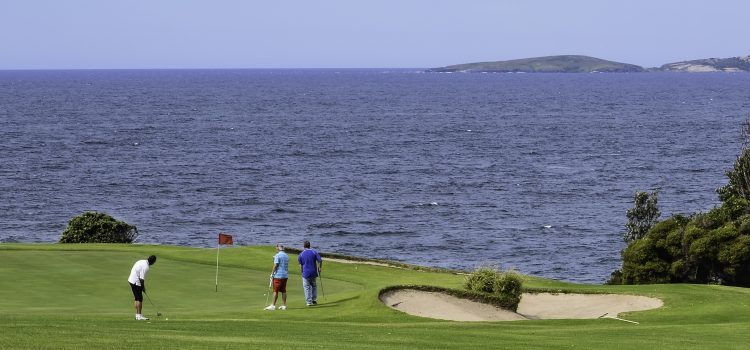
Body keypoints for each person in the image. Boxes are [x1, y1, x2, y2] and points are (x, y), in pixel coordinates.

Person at [127, 255, 156, 320]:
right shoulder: (146, 267)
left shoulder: (142, 261)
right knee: (140, 299)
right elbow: (141, 279)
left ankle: (137, 315)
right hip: (136, 281)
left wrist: (142, 287)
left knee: (136, 298)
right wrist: (143, 287)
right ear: (152, 262)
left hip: (131, 280)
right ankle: (139, 316)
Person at [298, 240, 322, 306]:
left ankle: (308, 302)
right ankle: (314, 300)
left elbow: (301, 265)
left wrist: (302, 272)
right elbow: (320, 260)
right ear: (309, 245)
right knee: (314, 286)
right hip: (314, 272)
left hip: (306, 273)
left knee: (306, 287)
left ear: (304, 246)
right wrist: (320, 268)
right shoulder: (314, 252)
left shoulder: (301, 254)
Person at [265, 243, 289, 310]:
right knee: (283, 290)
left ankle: (273, 305)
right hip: (285, 276)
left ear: (278, 248)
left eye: (276, 247)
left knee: (275, 290)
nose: (276, 248)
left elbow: (276, 265)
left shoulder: (277, 255)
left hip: (278, 276)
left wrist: (272, 274)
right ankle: (284, 305)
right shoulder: (286, 255)